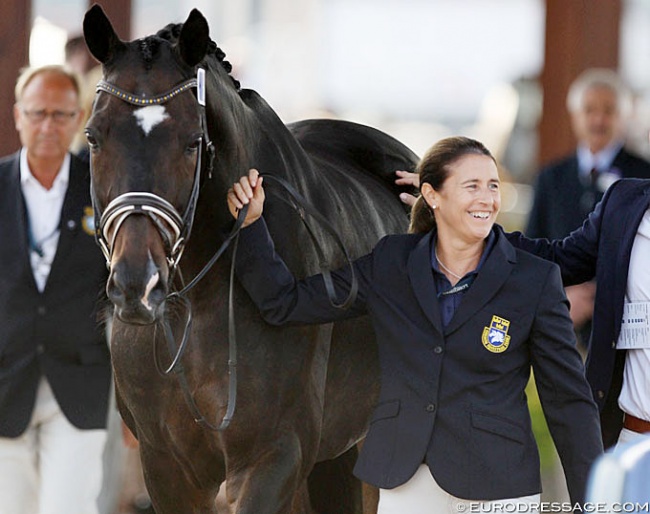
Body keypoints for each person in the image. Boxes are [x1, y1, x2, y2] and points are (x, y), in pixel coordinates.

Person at [228, 137, 603, 513]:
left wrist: (593, 503)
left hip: (499, 484)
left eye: (492, 186)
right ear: (432, 195)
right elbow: (286, 303)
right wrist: (251, 227)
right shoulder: (391, 262)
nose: (487, 199)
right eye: (471, 186)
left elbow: (569, 401)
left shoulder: (534, 279)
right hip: (405, 482)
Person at [0, 65, 111, 514]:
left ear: (79, 117)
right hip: (5, 382)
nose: (49, 125)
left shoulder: (102, 187)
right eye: (38, 112)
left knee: (69, 506)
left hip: (79, 381)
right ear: (18, 116)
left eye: (61, 115)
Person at [525, 68, 650, 349]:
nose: (598, 119)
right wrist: (562, 295)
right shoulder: (551, 177)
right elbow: (534, 248)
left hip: (629, 330)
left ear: (624, 115)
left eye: (609, 110)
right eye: (589, 109)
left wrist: (598, 293)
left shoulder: (645, 176)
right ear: (574, 116)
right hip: (561, 324)